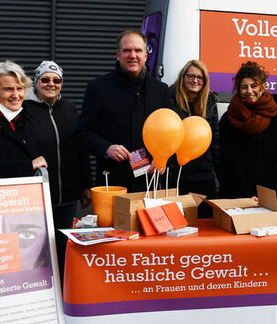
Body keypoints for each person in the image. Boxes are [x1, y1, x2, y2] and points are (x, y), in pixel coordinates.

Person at [76, 30, 169, 192]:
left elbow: (170, 133)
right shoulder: (98, 88)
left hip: (149, 180)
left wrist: (164, 158)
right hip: (111, 181)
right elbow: (83, 133)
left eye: (138, 50)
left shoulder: (161, 91)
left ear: (145, 55)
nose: (132, 55)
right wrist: (106, 148)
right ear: (118, 55)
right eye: (127, 50)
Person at [25, 60, 92, 230]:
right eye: (45, 79)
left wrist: (87, 186)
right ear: (36, 81)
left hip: (68, 197)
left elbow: (81, 149)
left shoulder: (69, 109)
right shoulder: (23, 110)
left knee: (63, 244)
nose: (51, 84)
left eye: (56, 80)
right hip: (36, 196)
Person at [219, 61, 277, 211]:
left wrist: (266, 194)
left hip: (272, 195)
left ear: (262, 87)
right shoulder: (228, 118)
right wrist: (247, 194)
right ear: (238, 89)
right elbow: (228, 159)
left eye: (254, 86)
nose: (249, 91)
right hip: (237, 195)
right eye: (244, 87)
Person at [166, 60, 220, 217]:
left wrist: (220, 176)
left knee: (206, 226)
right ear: (183, 77)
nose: (195, 81)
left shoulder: (209, 102)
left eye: (199, 77)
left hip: (203, 175)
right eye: (191, 76)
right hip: (176, 176)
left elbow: (215, 142)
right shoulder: (169, 99)